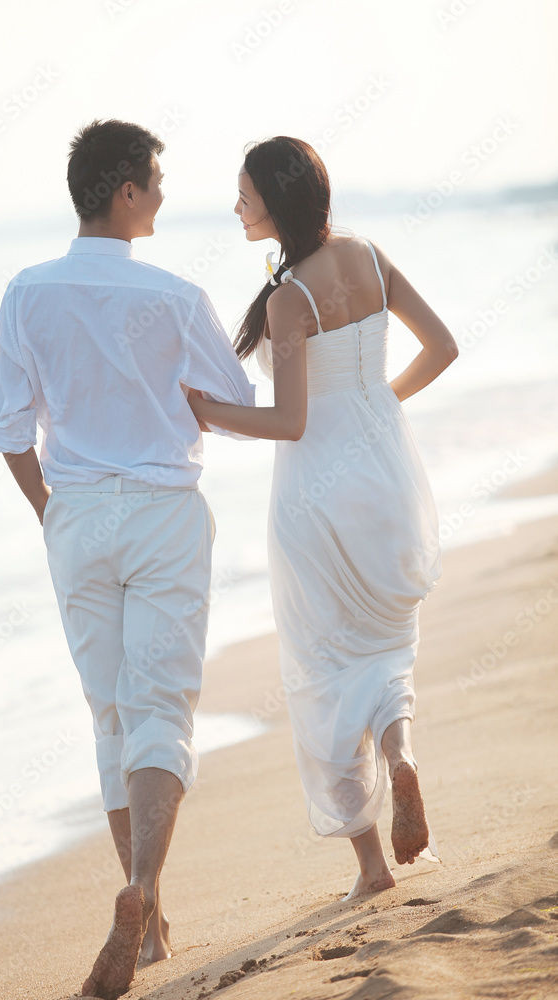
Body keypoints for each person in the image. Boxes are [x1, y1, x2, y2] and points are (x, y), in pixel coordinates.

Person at [0, 118, 255, 999]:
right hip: (165, 512)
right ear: (126, 192)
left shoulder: (26, 292)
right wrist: (175, 400)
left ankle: (151, 927)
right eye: (156, 182)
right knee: (160, 712)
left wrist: (52, 513)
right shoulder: (175, 295)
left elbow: (8, 432)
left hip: (78, 518)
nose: (164, 197)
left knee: (109, 714)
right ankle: (139, 889)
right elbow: (234, 396)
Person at [189, 136, 458, 899]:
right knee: (386, 655)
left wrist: (206, 410)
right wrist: (376, 410)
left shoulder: (287, 299)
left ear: (277, 198)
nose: (237, 207)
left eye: (245, 194)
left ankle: (372, 869)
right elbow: (442, 346)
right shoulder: (369, 257)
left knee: (321, 672)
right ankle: (401, 757)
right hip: (385, 477)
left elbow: (291, 423)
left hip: (314, 500)